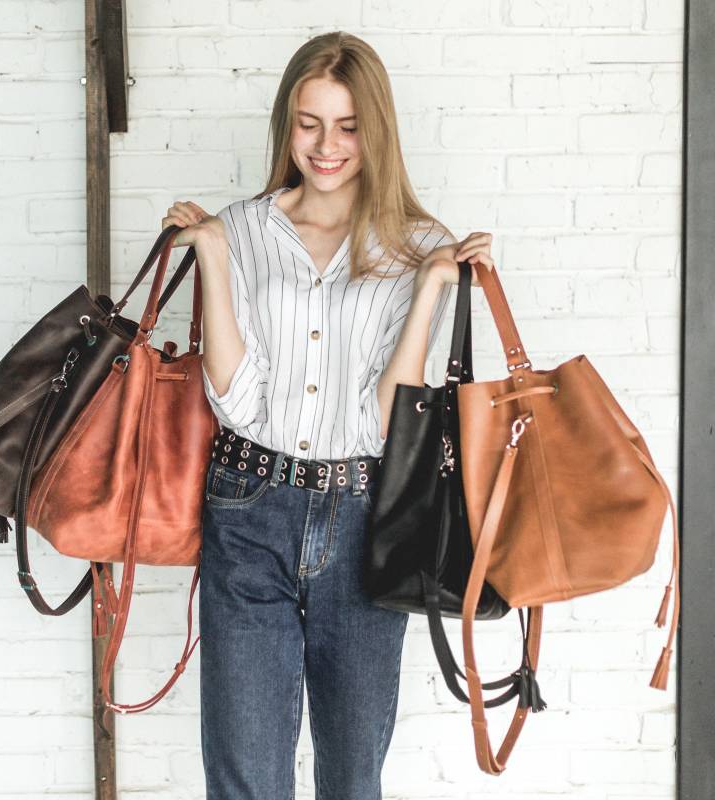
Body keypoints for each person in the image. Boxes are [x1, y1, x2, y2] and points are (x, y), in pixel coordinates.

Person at [161, 30, 494, 800]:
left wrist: (430, 292)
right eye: (308, 122)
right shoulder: (241, 231)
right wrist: (210, 254)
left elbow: (385, 423)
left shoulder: (421, 248)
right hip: (248, 511)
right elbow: (236, 401)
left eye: (346, 126)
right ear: (287, 124)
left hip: (367, 518)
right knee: (245, 776)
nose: (326, 145)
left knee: (353, 776)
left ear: (374, 130)